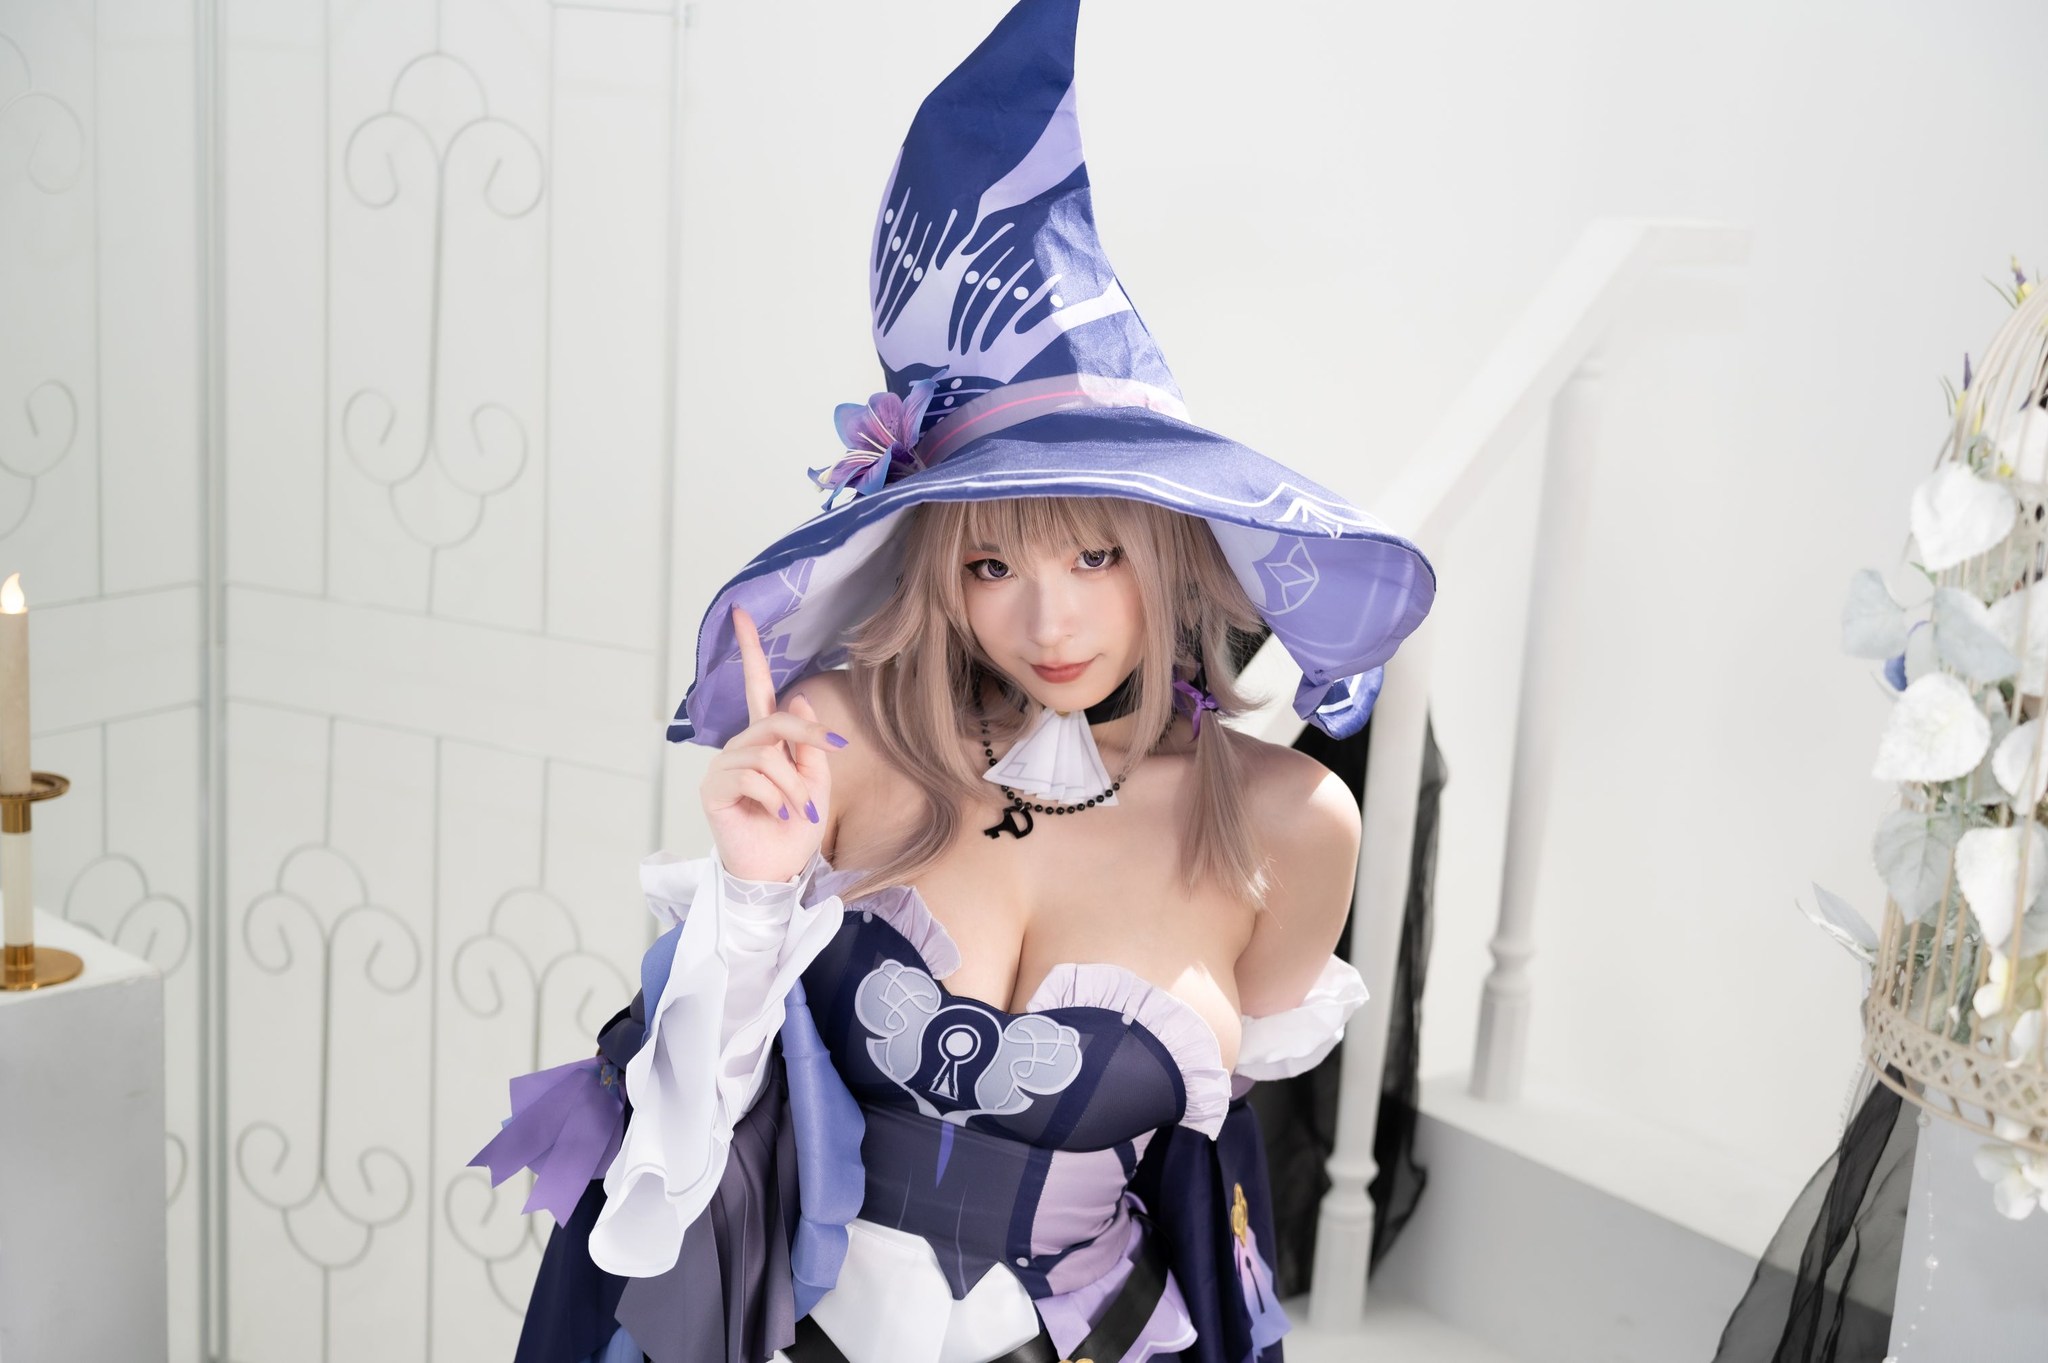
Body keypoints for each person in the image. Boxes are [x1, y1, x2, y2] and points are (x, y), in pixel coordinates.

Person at [472, 2, 1435, 1360]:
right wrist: (751, 895)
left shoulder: (1288, 823)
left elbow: (1218, 1182)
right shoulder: (841, 743)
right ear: (939, 570)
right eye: (991, 564)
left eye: (1096, 554)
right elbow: (686, 1127)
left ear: (1171, 547)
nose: (1048, 620)